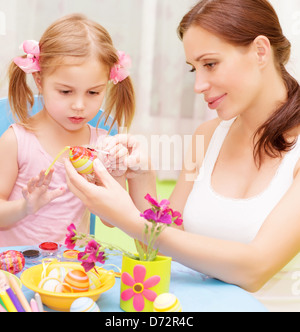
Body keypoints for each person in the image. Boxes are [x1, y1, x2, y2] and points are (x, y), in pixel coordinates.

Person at [64, 0, 300, 312]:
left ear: (259, 51)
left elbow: (255, 269)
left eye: (211, 64)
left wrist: (129, 219)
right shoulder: (207, 136)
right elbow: (159, 249)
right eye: (194, 69)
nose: (199, 85)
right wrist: (142, 179)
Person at [0, 14, 135, 246]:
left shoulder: (101, 145)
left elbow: (111, 222)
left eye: (93, 93)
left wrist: (117, 175)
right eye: (65, 91)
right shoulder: (16, 140)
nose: (79, 106)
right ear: (39, 80)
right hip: (15, 269)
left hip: (70, 269)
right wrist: (26, 207)